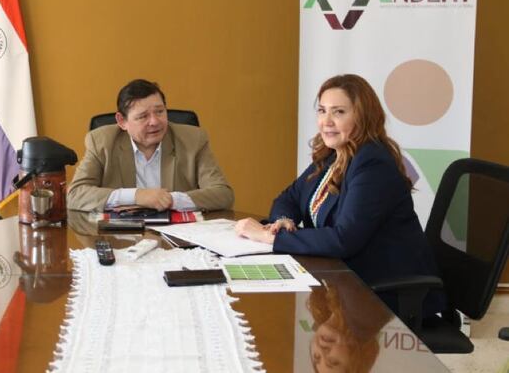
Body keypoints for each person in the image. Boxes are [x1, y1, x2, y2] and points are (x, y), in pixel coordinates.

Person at [235, 74, 444, 315]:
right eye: (322, 110)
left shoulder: (373, 164)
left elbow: (344, 239)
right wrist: (284, 220)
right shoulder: (333, 154)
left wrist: (268, 237)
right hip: (344, 281)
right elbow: (289, 198)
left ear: (363, 117)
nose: (326, 121)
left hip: (384, 291)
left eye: (339, 112)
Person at [67, 79, 234, 212]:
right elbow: (75, 194)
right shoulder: (102, 142)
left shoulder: (193, 140)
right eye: (143, 116)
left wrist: (171, 200)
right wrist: (136, 196)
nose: (154, 121)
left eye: (160, 111)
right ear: (122, 121)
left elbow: (223, 194)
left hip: (177, 235)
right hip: (122, 236)